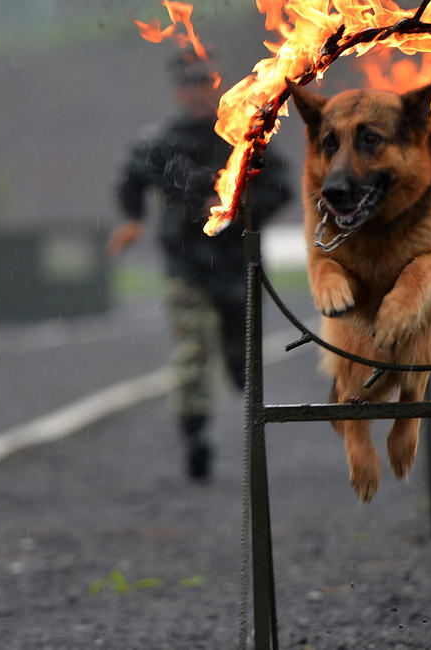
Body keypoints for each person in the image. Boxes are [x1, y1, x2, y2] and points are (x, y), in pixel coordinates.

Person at [108, 49, 291, 481]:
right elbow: (131, 175)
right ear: (177, 90)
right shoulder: (162, 140)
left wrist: (235, 204)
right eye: (187, 85)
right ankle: (195, 439)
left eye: (202, 84)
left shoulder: (245, 131)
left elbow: (280, 185)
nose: (195, 94)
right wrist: (133, 218)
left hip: (237, 266)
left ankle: (254, 432)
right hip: (187, 265)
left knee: (241, 358)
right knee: (193, 352)